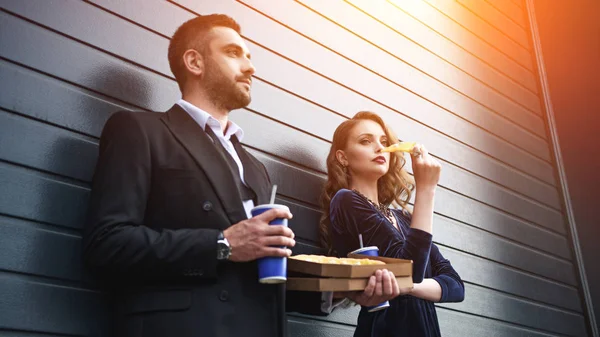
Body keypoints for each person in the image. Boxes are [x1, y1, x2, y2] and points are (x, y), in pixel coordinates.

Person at [83, 15, 399, 337]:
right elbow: (107, 244)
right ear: (194, 61)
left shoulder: (255, 167)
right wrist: (222, 244)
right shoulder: (140, 131)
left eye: (249, 57)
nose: (251, 67)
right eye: (234, 53)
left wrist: (342, 290)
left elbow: (260, 280)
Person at [319, 111, 465, 337]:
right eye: (366, 141)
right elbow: (412, 269)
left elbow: (455, 286)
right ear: (343, 157)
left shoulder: (404, 219)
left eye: (384, 141)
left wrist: (407, 286)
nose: (379, 148)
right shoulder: (345, 201)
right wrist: (426, 189)